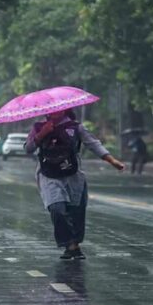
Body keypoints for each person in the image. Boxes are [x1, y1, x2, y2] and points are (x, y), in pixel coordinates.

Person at [25, 109, 125, 259]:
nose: (55, 112)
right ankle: (70, 244)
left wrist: (111, 160)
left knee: (76, 212)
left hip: (73, 176)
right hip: (49, 175)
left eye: (58, 109)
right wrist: (42, 134)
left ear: (65, 109)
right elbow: (28, 148)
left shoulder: (75, 127)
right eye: (51, 110)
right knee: (56, 208)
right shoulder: (38, 127)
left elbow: (93, 144)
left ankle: (73, 245)